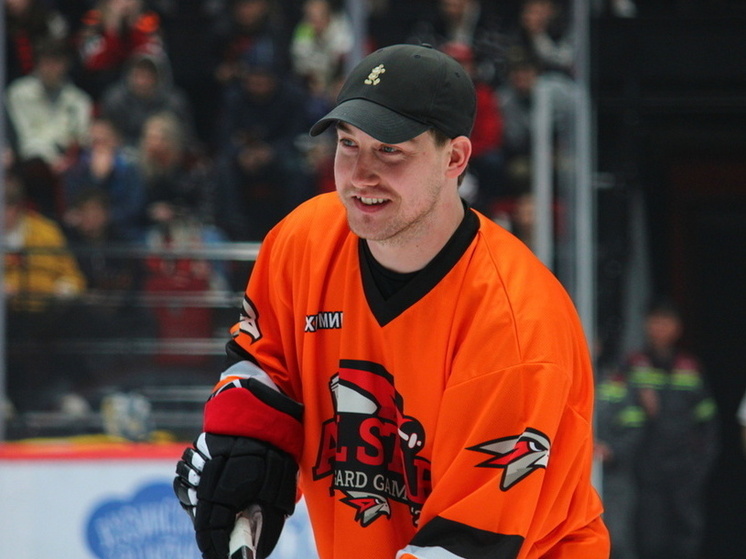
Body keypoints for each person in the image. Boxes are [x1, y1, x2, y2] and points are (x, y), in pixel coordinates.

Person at [173, 43, 609, 559]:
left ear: (455, 158)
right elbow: (267, 366)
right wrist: (249, 455)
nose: (360, 175)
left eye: (390, 150)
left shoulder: (514, 322)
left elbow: (467, 545)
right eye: (348, 144)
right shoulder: (302, 243)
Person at [623, 300, 718, 559]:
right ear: (646, 325)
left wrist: (699, 465)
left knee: (686, 536)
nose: (660, 327)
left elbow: (708, 423)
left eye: (666, 321)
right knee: (649, 539)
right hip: (646, 471)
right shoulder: (633, 364)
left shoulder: (690, 367)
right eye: (655, 320)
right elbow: (613, 411)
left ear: (678, 327)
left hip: (685, 470)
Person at [6, 38, 93, 218]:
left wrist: (65, 158)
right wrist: (51, 158)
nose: (50, 68)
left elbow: (81, 137)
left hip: (67, 164)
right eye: (46, 62)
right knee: (33, 166)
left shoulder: (79, 100)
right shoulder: (18, 93)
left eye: (56, 63)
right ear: (38, 64)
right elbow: (25, 138)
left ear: (65, 65)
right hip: (30, 163)